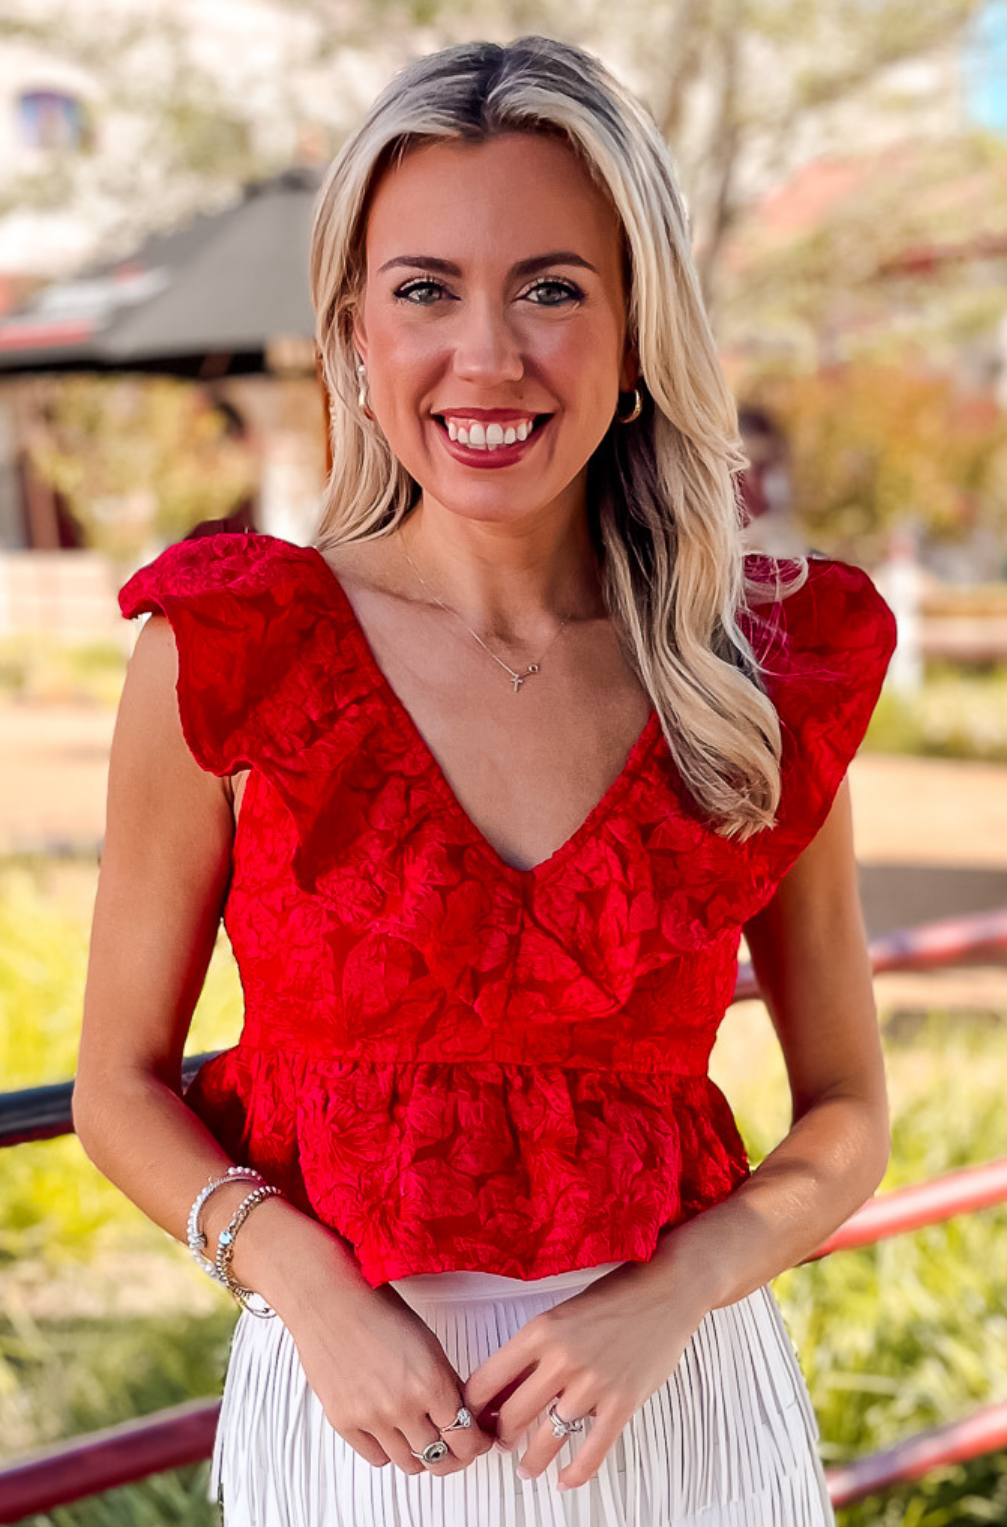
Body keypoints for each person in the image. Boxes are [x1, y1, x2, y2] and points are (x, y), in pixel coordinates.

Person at [73, 35, 898, 1527]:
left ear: (640, 325)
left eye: (554, 288)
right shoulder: (237, 649)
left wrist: (673, 1293)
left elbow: (845, 1113)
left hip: (677, 1418)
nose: (490, 356)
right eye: (427, 290)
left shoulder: (754, 674)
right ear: (357, 331)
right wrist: (305, 1279)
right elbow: (117, 1085)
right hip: (353, 1429)